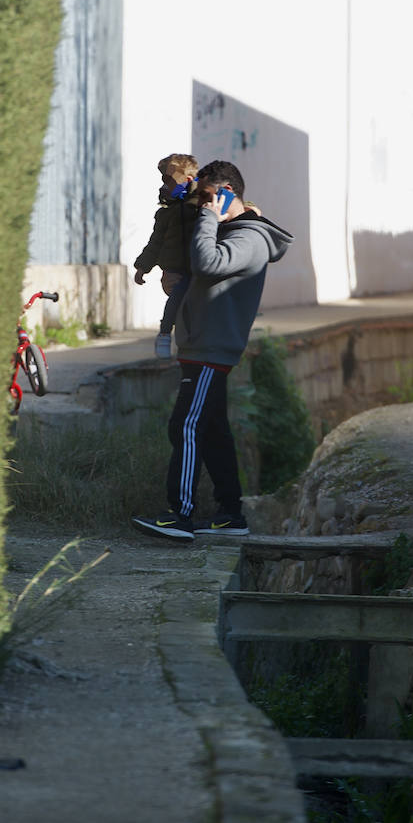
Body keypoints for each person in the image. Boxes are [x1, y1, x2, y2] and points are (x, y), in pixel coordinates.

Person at [130, 160, 293, 541]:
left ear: (226, 194)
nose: (201, 204)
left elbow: (208, 261)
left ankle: (180, 516)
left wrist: (207, 217)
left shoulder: (250, 238)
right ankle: (230, 515)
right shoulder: (232, 229)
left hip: (210, 350)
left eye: (207, 196)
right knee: (215, 432)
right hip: (200, 346)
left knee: (185, 426)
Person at [133, 153, 200, 358]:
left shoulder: (201, 206)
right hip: (174, 270)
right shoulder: (166, 211)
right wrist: (143, 266)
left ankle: (182, 340)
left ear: (188, 181)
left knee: (191, 310)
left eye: (169, 182)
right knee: (178, 298)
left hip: (196, 269)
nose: (165, 187)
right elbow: (156, 242)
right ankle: (165, 333)